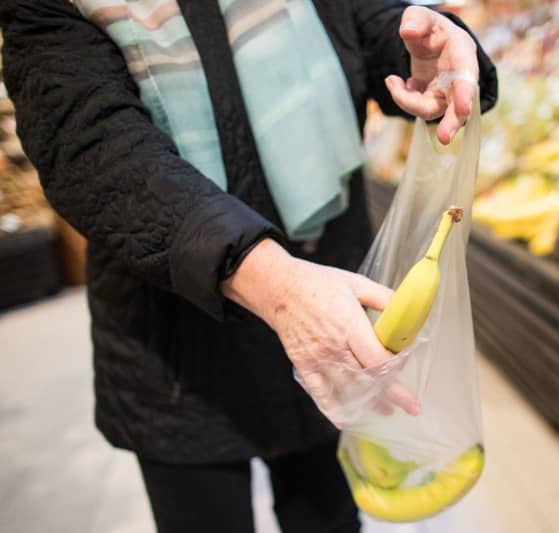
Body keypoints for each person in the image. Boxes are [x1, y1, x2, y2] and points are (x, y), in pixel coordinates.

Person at [1, 1, 497, 532]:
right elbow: (88, 142)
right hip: (177, 349)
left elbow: (373, 20)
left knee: (327, 513)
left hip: (329, 307)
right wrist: (276, 287)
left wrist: (431, 51)